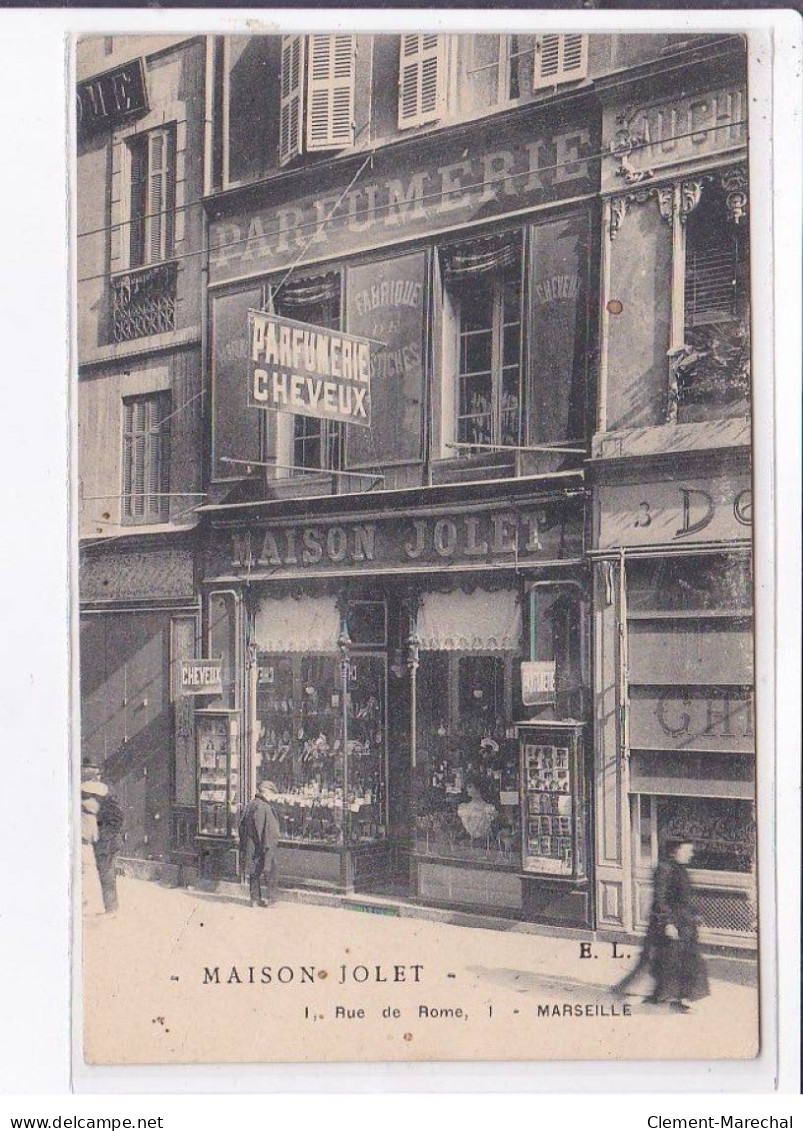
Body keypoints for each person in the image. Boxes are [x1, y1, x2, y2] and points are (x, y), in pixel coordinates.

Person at [644, 840, 710, 1013]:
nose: (691, 854)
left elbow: (684, 898)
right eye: (687, 850)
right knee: (679, 962)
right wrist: (668, 923)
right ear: (675, 851)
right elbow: (660, 899)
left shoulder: (681, 869)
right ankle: (678, 999)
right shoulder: (665, 869)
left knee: (677, 961)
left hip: (685, 923)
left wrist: (696, 914)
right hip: (672, 923)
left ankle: (665, 995)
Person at [239, 779, 281, 908]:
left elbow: (241, 826)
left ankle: (254, 899)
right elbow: (269, 831)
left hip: (251, 845)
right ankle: (271, 899)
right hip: (264, 845)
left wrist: (245, 843)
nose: (272, 797)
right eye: (272, 794)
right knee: (270, 870)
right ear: (267, 793)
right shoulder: (265, 808)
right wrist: (267, 847)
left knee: (254, 872)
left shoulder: (250, 805)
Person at [95, 781, 124, 914]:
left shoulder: (107, 802)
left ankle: (111, 908)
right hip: (103, 844)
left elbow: (118, 820)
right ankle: (110, 907)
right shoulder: (99, 800)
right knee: (105, 876)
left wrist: (103, 835)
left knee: (107, 876)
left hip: (108, 845)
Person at [80, 781, 108, 920]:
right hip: (86, 844)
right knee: (89, 874)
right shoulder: (92, 806)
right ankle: (90, 906)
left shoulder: (82, 808)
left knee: (85, 874)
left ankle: (86, 905)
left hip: (83, 843)